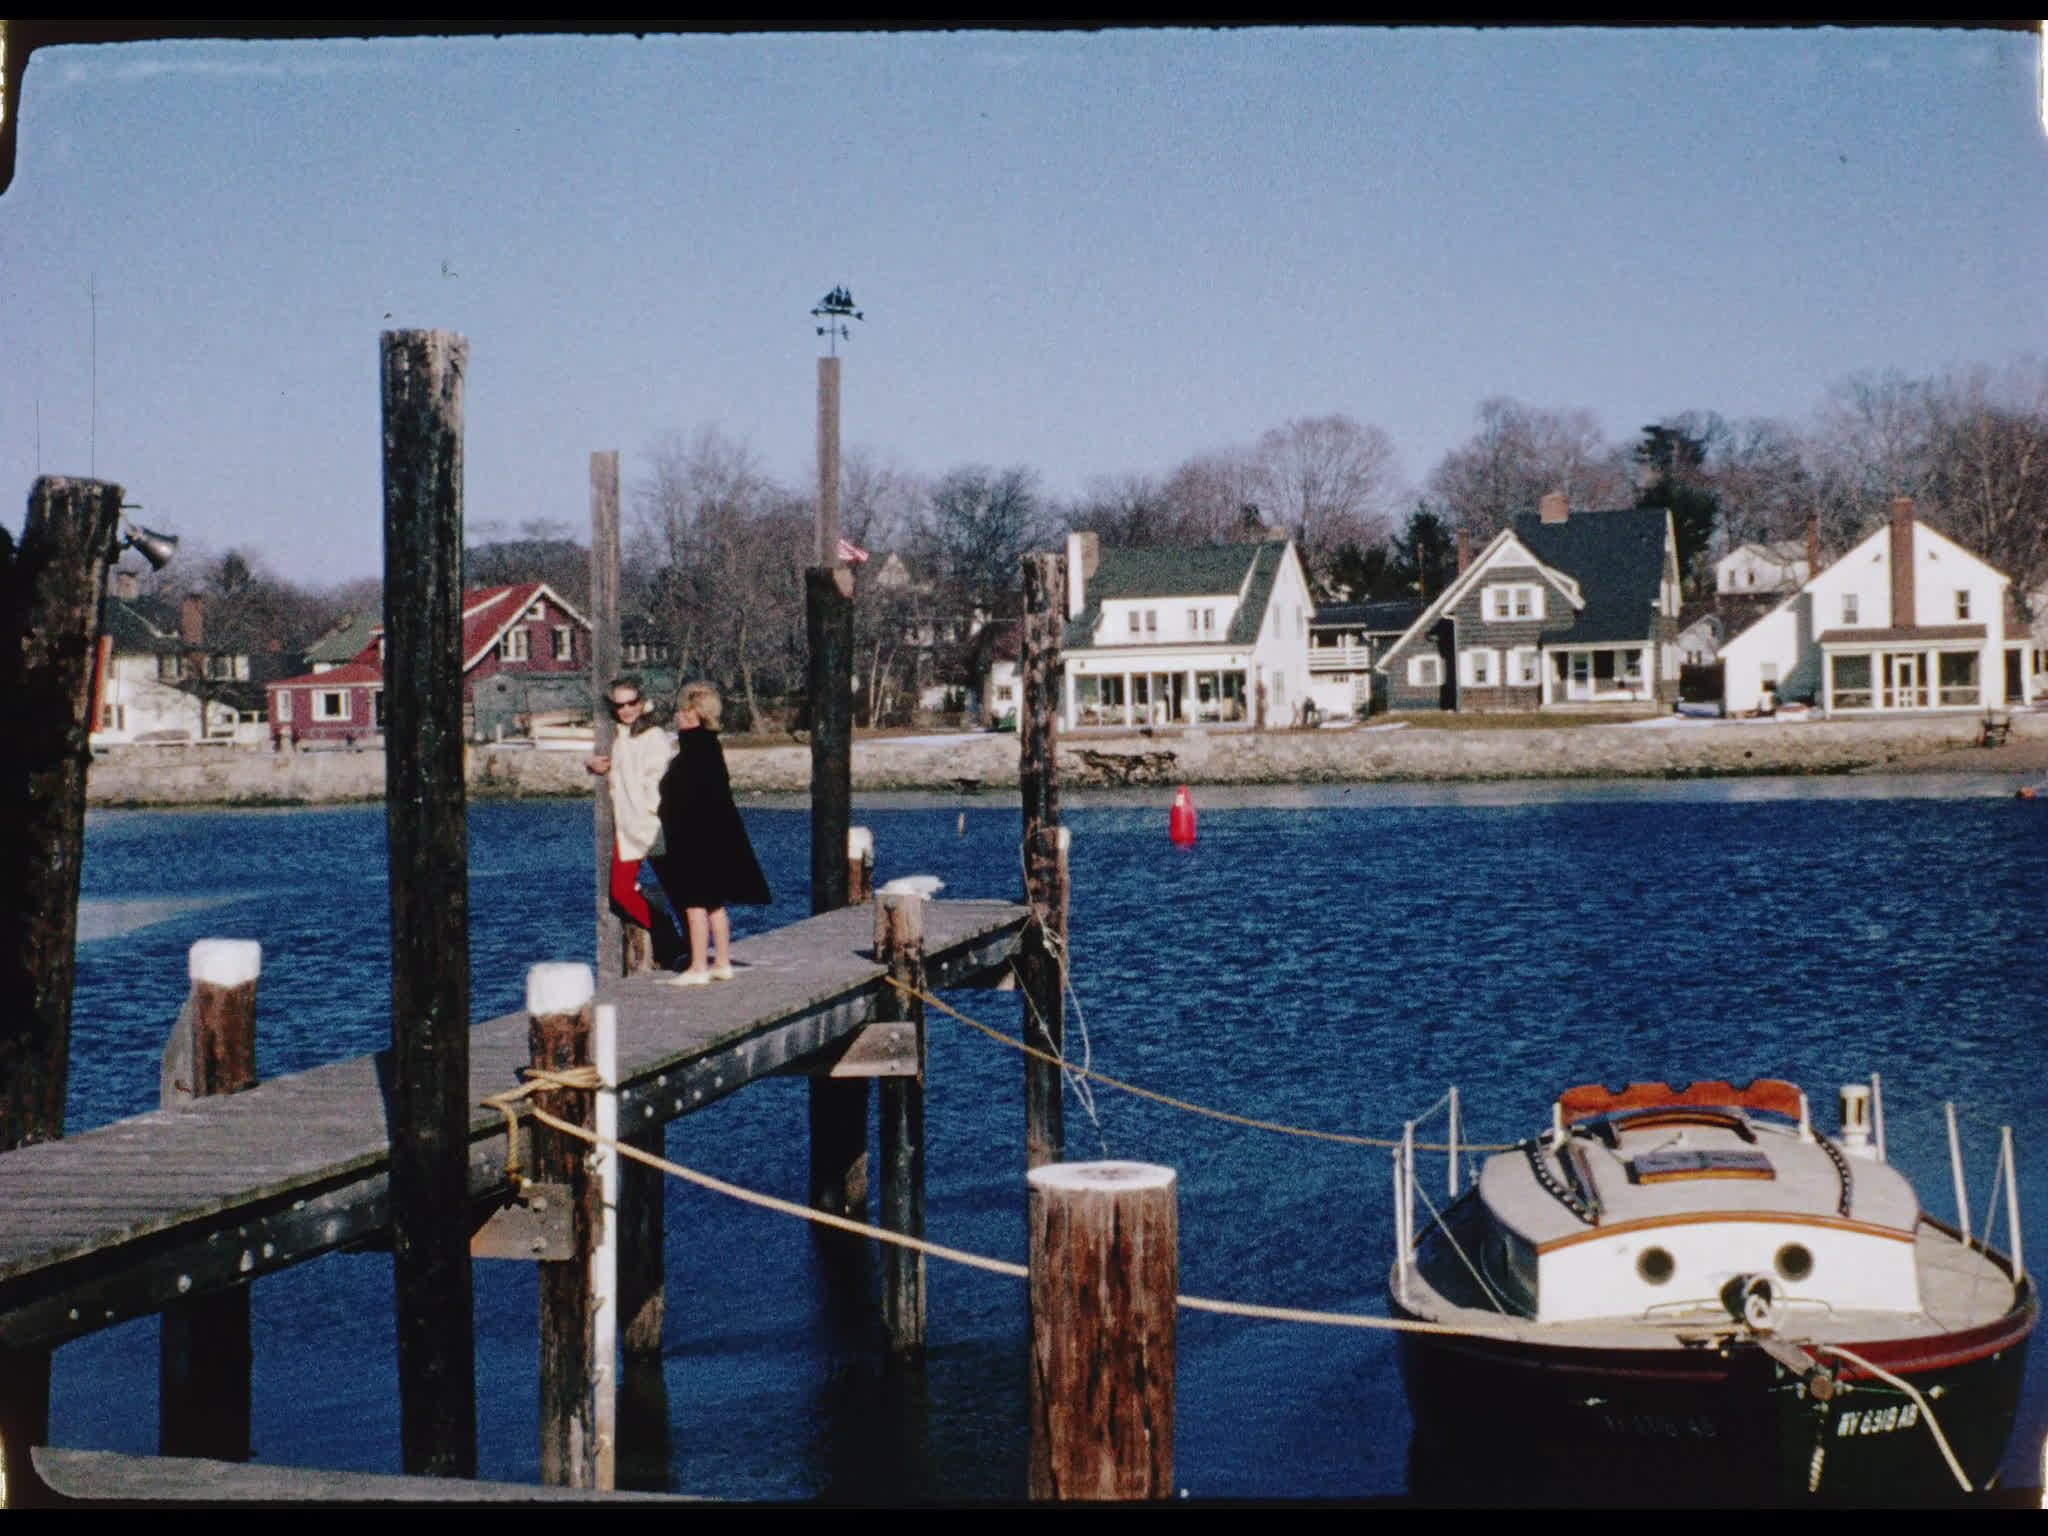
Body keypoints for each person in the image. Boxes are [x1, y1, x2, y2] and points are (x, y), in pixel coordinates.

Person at [651, 680, 771, 984]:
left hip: (693, 841)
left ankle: (698, 967)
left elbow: (684, 798)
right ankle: (722, 962)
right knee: (715, 905)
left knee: (693, 905)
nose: (678, 715)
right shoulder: (712, 747)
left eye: (683, 710)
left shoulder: (691, 752)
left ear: (695, 714)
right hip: (715, 839)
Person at [584, 674, 677, 950]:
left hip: (653, 825)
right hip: (627, 828)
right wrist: (591, 763)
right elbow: (608, 762)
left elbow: (659, 780)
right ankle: (669, 939)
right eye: (619, 705)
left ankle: (690, 951)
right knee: (621, 891)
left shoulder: (654, 735)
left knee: (679, 891)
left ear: (642, 701)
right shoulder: (618, 733)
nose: (625, 710)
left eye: (631, 703)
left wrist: (653, 812)